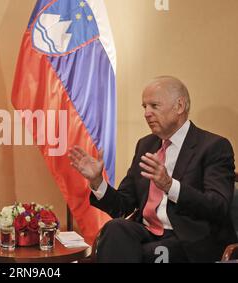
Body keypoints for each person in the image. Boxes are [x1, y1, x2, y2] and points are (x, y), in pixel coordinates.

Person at [69, 76, 237, 262]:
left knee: (147, 254)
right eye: (144, 107)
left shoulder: (213, 146)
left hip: (188, 238)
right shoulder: (146, 145)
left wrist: (169, 185)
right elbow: (123, 206)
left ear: (179, 106)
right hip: (148, 232)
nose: (146, 113)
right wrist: (97, 182)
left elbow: (217, 206)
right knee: (115, 228)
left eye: (154, 106)